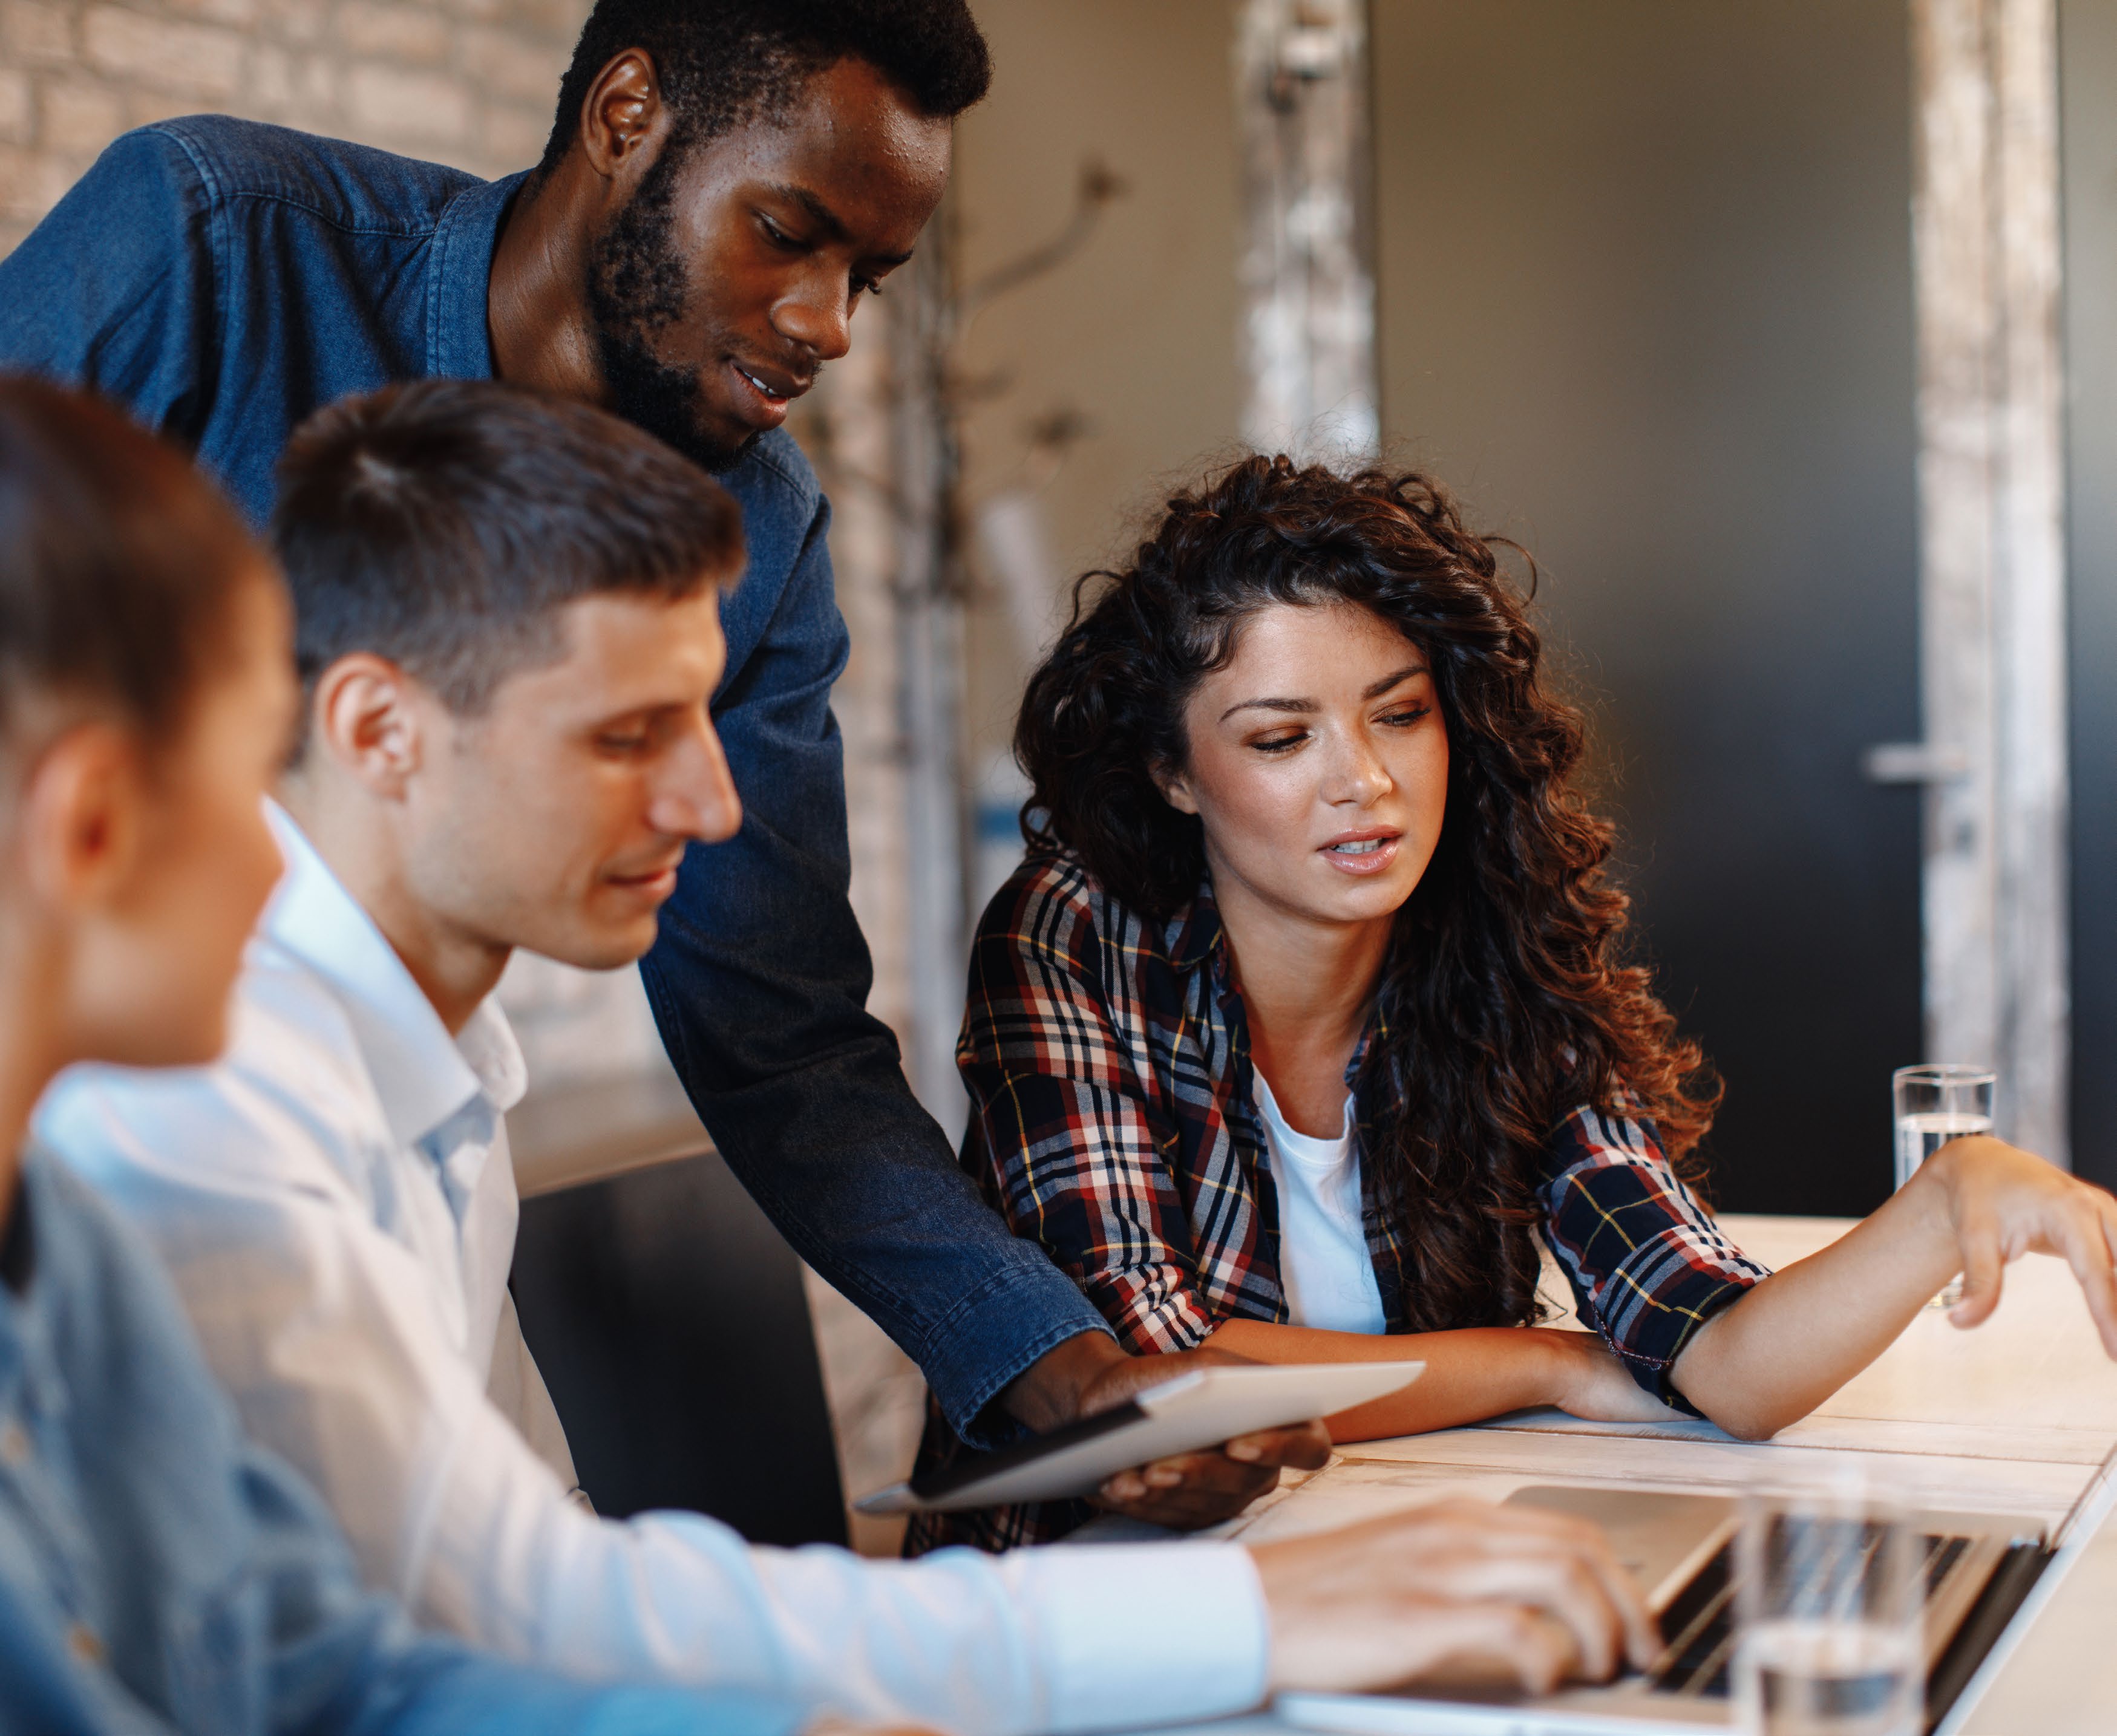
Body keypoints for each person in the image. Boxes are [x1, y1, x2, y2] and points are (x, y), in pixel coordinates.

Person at [37, 379, 1660, 1733]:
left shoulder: (420, 1064)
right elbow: (491, 1608)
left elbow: (480, 1610)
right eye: (625, 736)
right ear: (374, 731)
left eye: (705, 720)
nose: (713, 803)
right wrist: (1231, 1614)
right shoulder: (214, 1112)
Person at [0, 0, 1284, 1521]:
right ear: (626, 118)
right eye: (787, 234)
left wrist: (1050, 1363)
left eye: (868, 277)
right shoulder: (218, 246)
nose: (826, 325)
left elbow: (778, 1028)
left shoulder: (765, 529)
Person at [911, 454, 2117, 1552]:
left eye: (1400, 713)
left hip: (1395, 1552)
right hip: (1087, 1597)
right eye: (1282, 738)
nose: (1366, 782)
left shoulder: (1488, 942)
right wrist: (1543, 1363)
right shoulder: (1077, 930)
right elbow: (1155, 1369)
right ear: (1173, 773)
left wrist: (1946, 1198)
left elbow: (1724, 1362)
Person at [0, 374, 827, 1736]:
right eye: (243, 781)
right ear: (89, 824)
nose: (288, 857)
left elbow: (333, 1670)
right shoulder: (197, 1127)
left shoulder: (68, 1255)